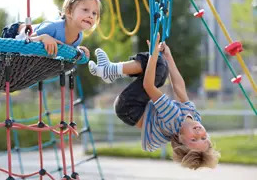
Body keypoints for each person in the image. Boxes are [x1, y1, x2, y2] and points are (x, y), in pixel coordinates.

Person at [88, 34, 220, 170]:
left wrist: (154, 54)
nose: (199, 133)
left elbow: (149, 86)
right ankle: (110, 71)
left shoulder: (173, 119)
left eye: (194, 139)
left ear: (180, 139)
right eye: (204, 138)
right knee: (161, 69)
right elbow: (180, 89)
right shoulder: (195, 117)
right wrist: (169, 57)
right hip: (138, 108)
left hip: (129, 108)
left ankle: (109, 70)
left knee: (158, 65)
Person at [1, 0, 101, 58]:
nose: (91, 16)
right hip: (14, 33)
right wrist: (44, 37)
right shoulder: (53, 27)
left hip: (28, 54)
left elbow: (65, 48)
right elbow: (28, 39)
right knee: (6, 67)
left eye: (94, 13)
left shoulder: (79, 36)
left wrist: (77, 50)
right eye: (85, 10)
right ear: (69, 12)